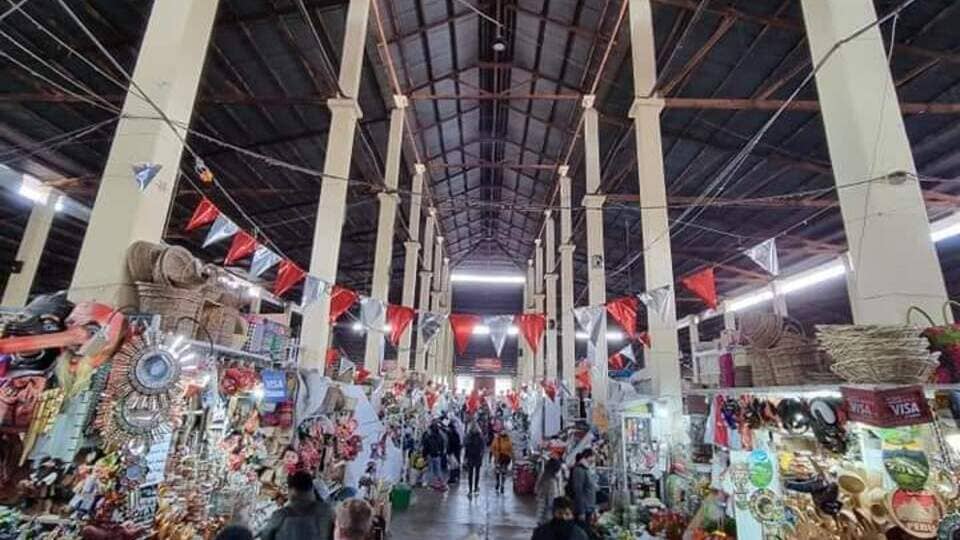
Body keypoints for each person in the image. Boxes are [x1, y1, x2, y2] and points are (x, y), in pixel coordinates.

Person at [259, 470, 334, 540]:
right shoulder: (327, 511)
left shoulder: (281, 516)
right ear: (311, 489)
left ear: (292, 491)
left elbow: (265, 537)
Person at [570, 449, 598, 524]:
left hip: (588, 507)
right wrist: (581, 511)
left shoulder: (586, 469)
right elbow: (578, 491)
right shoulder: (579, 469)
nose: (594, 459)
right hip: (584, 509)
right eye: (593, 457)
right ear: (589, 457)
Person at [535, 458, 563, 525]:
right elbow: (551, 504)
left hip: (543, 518)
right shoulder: (552, 481)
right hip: (549, 519)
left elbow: (537, 490)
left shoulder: (544, 476)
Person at [422, 422, 447, 490]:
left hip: (430, 455)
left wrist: (424, 455)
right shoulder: (440, 437)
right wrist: (441, 453)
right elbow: (442, 446)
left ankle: (431, 483)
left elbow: (426, 447)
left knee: (430, 470)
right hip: (437, 455)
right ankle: (441, 482)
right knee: (438, 469)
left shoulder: (429, 437)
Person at [463, 423, 486, 496]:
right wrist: (481, 454)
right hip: (477, 457)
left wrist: (465, 457)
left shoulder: (469, 436)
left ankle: (470, 489)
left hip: (471, 457)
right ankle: (475, 488)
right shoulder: (480, 436)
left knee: (471, 474)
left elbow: (466, 447)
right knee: (476, 473)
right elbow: (482, 447)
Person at [490, 429, 513, 494]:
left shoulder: (507, 439)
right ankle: (498, 482)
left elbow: (510, 449)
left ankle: (501, 484)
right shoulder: (497, 439)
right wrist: (495, 454)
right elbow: (492, 447)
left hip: (504, 458)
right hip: (499, 458)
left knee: (502, 472)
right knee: (499, 471)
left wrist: (510, 456)